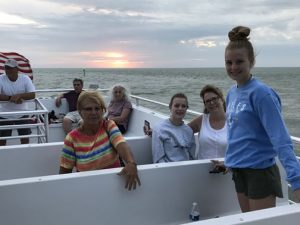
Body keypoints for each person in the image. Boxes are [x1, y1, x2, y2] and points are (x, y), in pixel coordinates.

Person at [213, 25, 300, 212]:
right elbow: (238, 134)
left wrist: (296, 178)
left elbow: (280, 138)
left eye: (239, 61)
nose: (233, 67)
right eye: (229, 62)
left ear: (251, 62)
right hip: (239, 170)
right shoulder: (231, 93)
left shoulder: (261, 94)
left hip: (260, 172)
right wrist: (230, 160)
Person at [59, 91, 141, 190]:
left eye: (97, 108)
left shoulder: (108, 125)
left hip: (114, 185)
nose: (94, 112)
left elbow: (121, 144)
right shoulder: (72, 138)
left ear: (103, 110)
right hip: (87, 189)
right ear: (80, 112)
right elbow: (65, 171)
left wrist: (130, 162)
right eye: (88, 109)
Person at [0, 58, 36, 146]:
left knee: (24, 138)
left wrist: (20, 95)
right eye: (6, 68)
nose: (7, 70)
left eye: (10, 68)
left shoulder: (25, 78)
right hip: (4, 114)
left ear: (17, 69)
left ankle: (25, 156)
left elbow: (32, 94)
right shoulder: (1, 78)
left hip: (22, 114)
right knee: (1, 140)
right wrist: (11, 98)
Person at [151, 93, 195, 163]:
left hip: (186, 169)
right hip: (167, 170)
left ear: (187, 109)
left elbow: (192, 156)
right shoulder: (159, 129)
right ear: (170, 107)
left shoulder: (189, 131)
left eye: (183, 106)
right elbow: (158, 159)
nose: (180, 108)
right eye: (177, 106)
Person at [188, 84, 227, 159]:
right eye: (208, 101)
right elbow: (182, 132)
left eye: (214, 99)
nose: (212, 103)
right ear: (205, 104)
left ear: (221, 99)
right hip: (202, 168)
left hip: (226, 168)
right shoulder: (201, 120)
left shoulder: (233, 121)